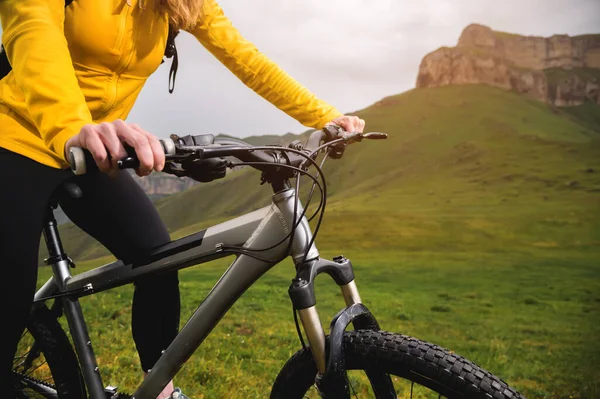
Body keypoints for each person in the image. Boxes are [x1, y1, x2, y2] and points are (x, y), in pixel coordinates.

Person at [0, 0, 366, 398]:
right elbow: (33, 29)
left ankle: (160, 390)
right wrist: (70, 125)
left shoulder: (181, 3)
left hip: (95, 153)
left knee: (159, 262)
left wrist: (326, 115)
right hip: (16, 138)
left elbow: (248, 59)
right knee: (9, 296)